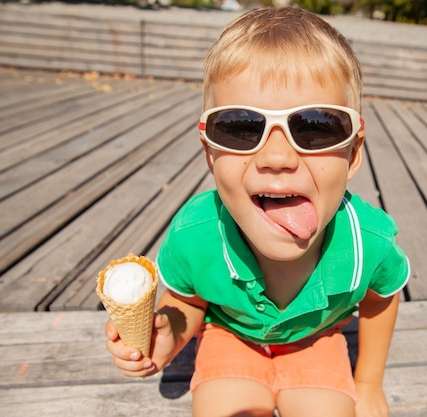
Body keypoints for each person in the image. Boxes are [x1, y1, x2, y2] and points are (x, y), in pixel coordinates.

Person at [105, 7, 409, 417]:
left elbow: (382, 295)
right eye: (241, 127)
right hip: (232, 338)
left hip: (314, 342)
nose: (278, 157)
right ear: (210, 152)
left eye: (316, 127)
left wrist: (369, 384)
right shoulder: (196, 235)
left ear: (353, 153)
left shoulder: (367, 242)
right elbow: (190, 300)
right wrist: (168, 337)